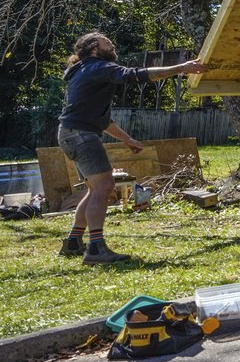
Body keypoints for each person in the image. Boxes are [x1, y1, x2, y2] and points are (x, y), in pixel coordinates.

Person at [56, 33, 207, 264]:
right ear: (94, 47)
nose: (112, 43)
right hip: (81, 136)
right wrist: (181, 68)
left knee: (93, 189)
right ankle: (95, 249)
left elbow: (102, 120)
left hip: (72, 133)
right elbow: (134, 75)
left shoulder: (86, 71)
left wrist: (128, 139)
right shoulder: (97, 67)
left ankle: (74, 241)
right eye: (106, 41)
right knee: (104, 187)